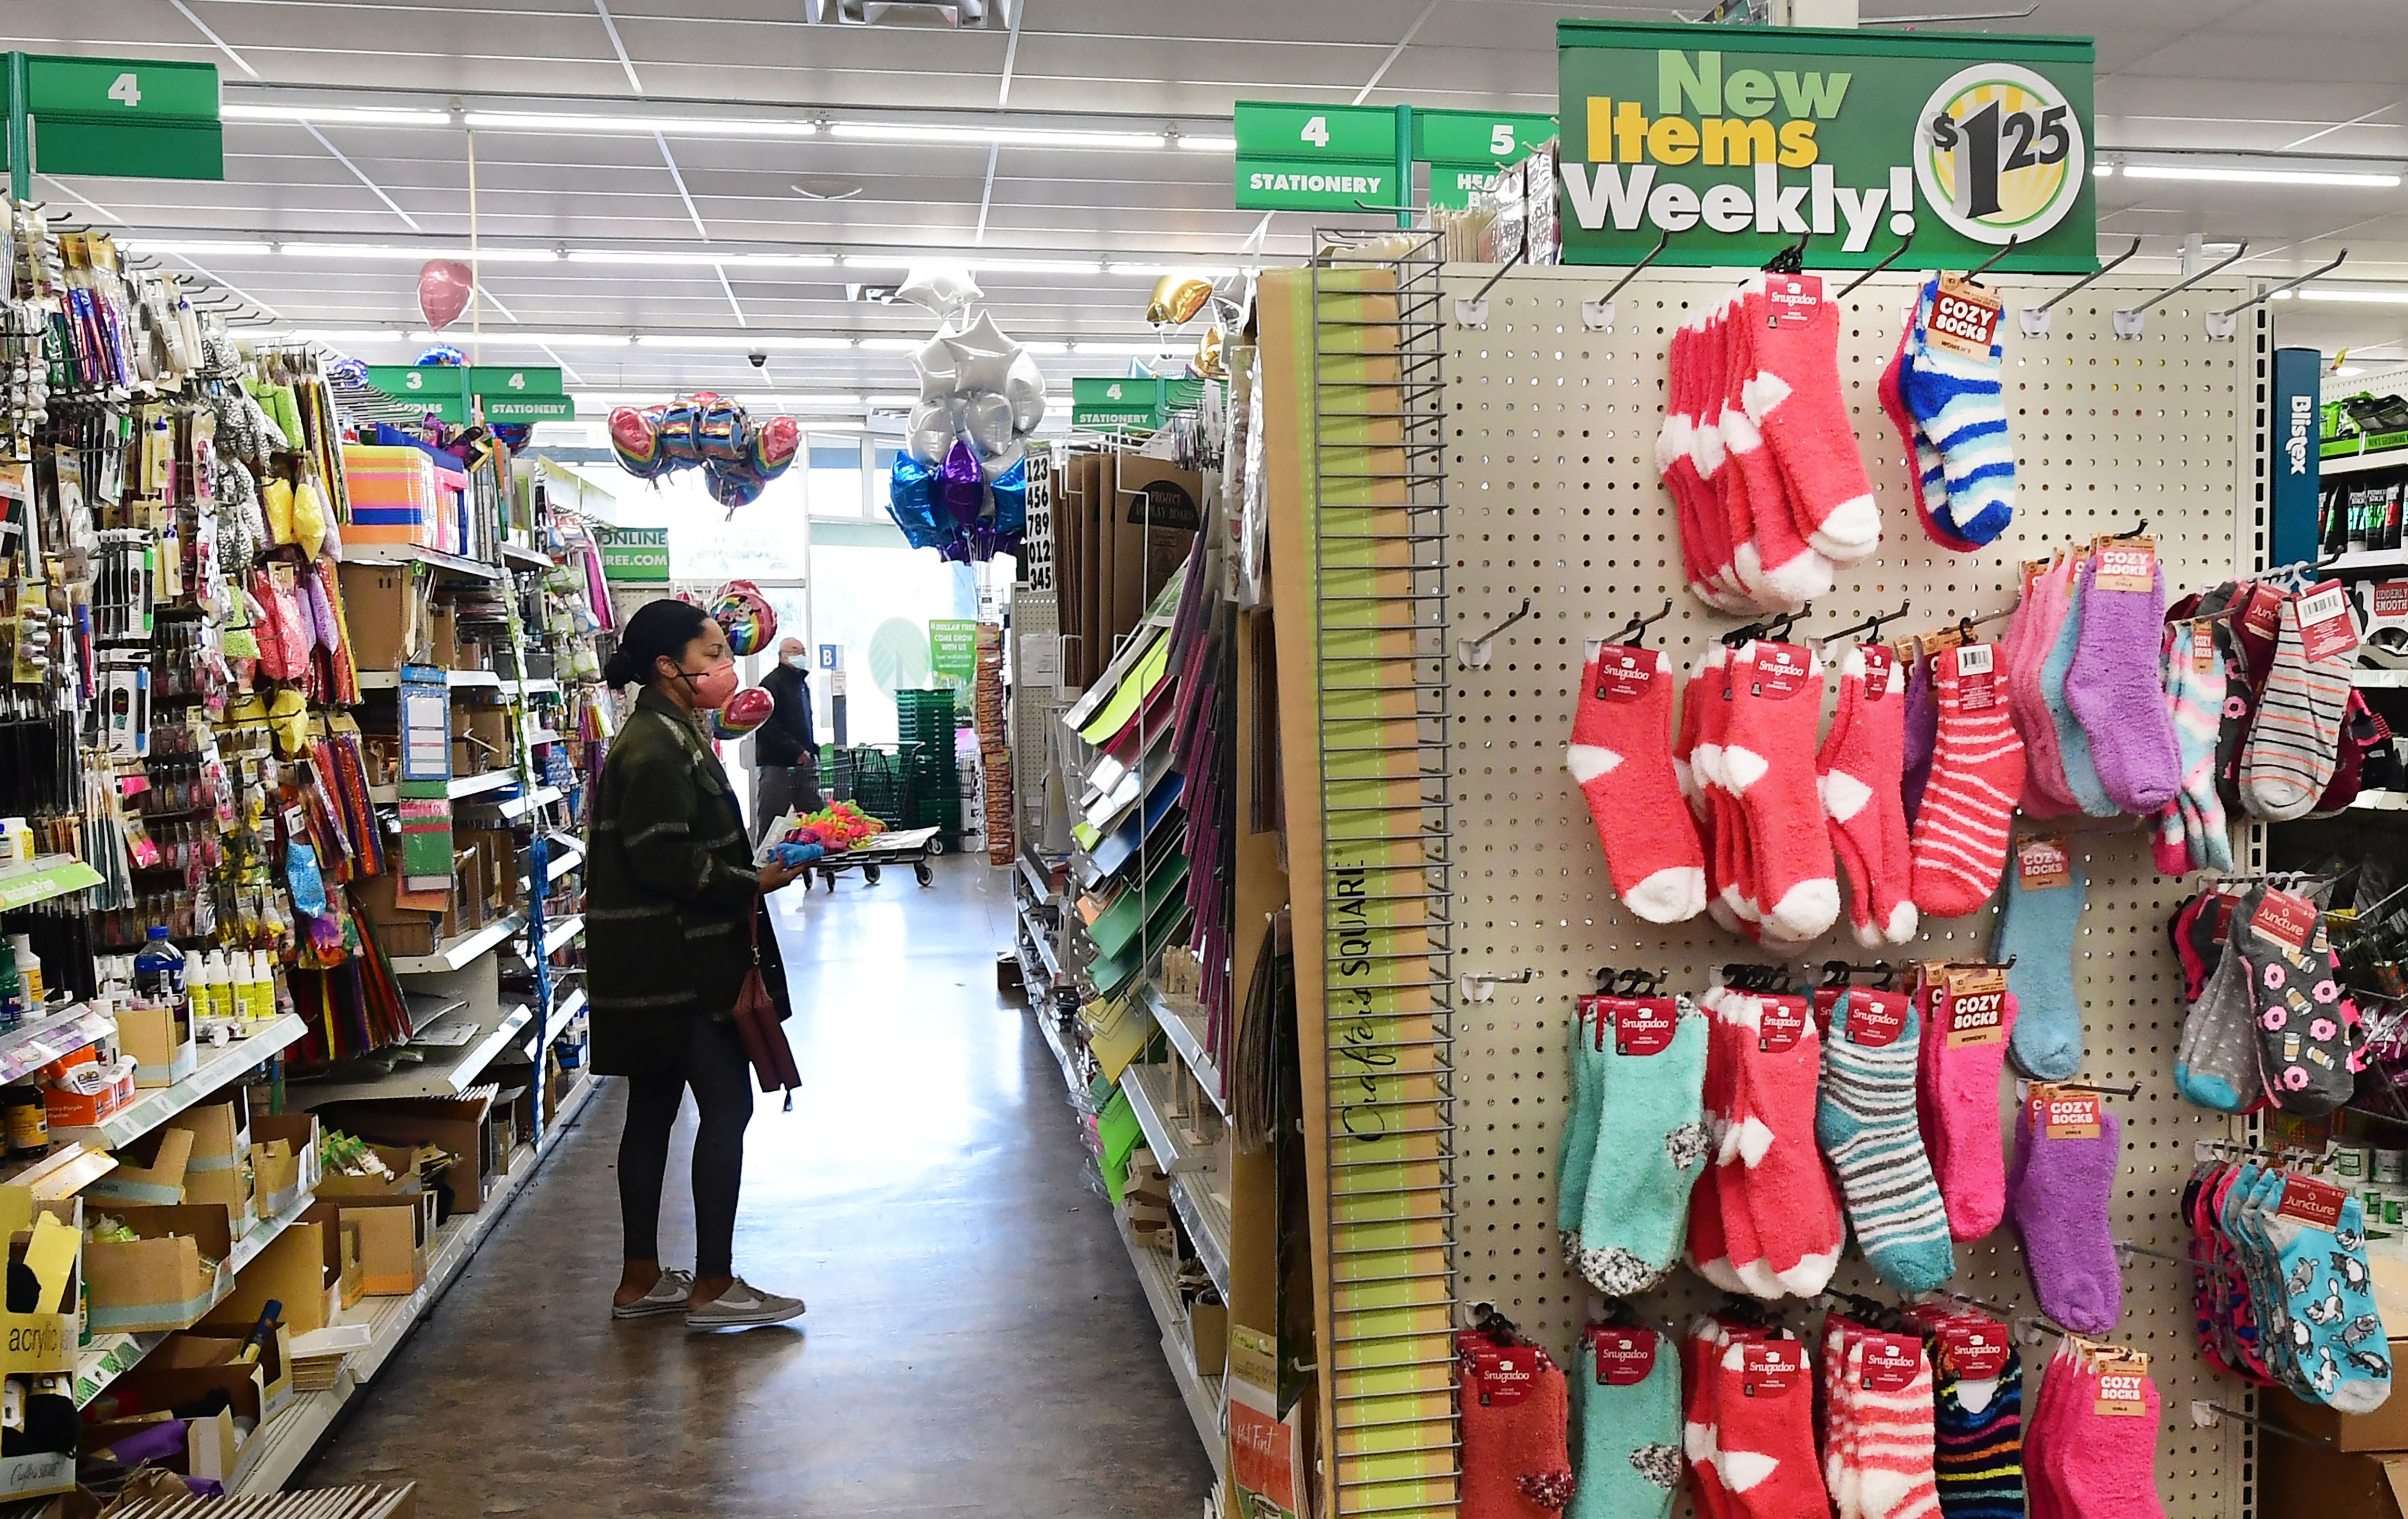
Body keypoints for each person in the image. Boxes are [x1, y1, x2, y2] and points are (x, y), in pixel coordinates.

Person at [587, 599, 808, 1330]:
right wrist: (754, 880)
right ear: (666, 667)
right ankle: (713, 1284)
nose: (725, 667)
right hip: (678, 968)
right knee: (728, 1107)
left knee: (652, 1112)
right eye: (711, 653)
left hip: (653, 967)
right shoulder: (655, 748)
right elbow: (664, 858)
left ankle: (641, 1279)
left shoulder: (670, 733)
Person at [750, 636, 822, 844]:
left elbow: (804, 722)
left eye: (802, 651)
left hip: (805, 763)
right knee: (772, 818)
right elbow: (767, 724)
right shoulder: (771, 684)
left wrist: (811, 749)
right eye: (793, 651)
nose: (799, 655)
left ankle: (822, 858)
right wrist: (795, 750)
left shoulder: (801, 684)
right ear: (782, 656)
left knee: (814, 815)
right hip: (777, 764)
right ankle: (764, 867)